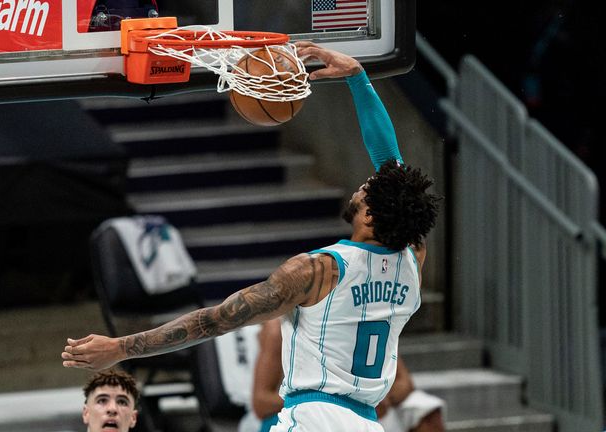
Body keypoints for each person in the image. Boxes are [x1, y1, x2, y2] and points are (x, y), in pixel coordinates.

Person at [62, 41, 441, 431]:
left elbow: (214, 321)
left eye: (369, 187)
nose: (365, 182)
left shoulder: (318, 271)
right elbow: (393, 171)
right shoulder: (412, 257)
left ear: (373, 213)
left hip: (314, 418)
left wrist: (120, 347)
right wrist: (358, 78)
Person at [244, 319, 445, 432]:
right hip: (295, 410)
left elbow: (405, 383)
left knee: (427, 412)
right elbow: (261, 402)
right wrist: (327, 398)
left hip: (364, 408)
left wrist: (380, 397)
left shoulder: (364, 314)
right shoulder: (278, 329)